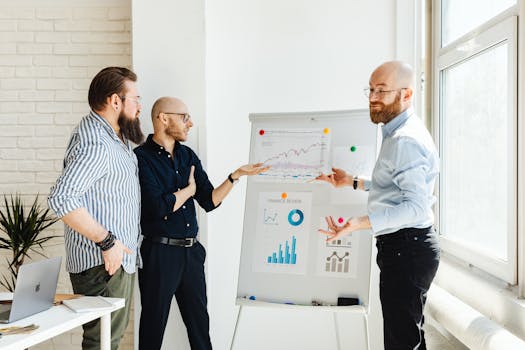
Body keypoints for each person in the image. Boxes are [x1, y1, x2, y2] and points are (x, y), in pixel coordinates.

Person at [317, 61, 440, 350]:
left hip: (406, 250)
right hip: (405, 248)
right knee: (406, 339)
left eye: (382, 90)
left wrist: (360, 222)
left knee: (401, 343)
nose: (373, 97)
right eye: (371, 89)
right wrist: (354, 182)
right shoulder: (396, 133)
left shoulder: (405, 140)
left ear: (406, 95)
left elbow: (415, 208)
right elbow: (395, 185)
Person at [135, 96, 269, 350]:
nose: (190, 123)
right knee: (152, 331)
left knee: (200, 329)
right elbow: (158, 207)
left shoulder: (187, 156)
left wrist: (235, 176)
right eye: (184, 117)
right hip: (160, 254)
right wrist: (188, 190)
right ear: (163, 118)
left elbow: (208, 201)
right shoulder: (141, 158)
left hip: (191, 254)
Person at [48, 66, 144, 350]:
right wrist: (108, 241)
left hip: (113, 263)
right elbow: (62, 198)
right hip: (103, 265)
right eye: (135, 98)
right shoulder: (96, 143)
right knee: (102, 343)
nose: (140, 106)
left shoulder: (115, 137)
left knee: (107, 342)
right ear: (116, 101)